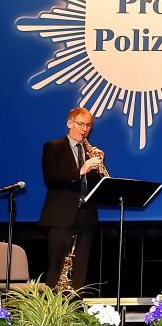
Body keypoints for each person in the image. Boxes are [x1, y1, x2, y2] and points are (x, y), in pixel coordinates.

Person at [39, 107, 105, 290]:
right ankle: (51, 306)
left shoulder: (90, 152)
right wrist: (81, 170)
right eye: (80, 124)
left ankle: (76, 304)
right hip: (61, 214)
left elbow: (97, 187)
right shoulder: (53, 147)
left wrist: (100, 165)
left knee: (81, 268)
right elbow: (51, 178)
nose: (84, 129)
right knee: (56, 267)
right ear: (69, 123)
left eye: (88, 126)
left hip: (87, 215)